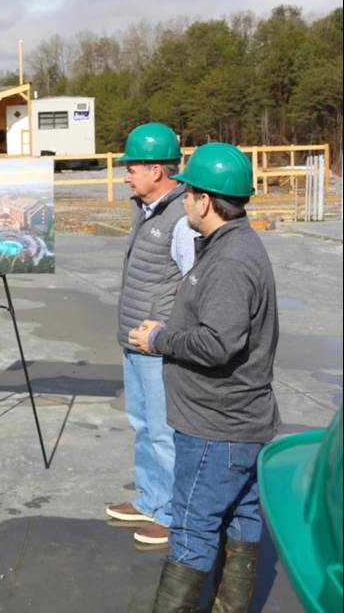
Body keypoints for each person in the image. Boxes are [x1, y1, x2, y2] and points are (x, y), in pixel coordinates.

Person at [128, 143, 279, 613]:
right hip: (238, 422)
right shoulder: (231, 246)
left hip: (216, 426)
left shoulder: (230, 262)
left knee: (192, 532)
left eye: (189, 193)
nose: (185, 201)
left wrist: (160, 339)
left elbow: (219, 344)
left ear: (206, 201)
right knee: (241, 521)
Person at [105, 123, 197, 547]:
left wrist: (167, 332)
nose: (125, 176)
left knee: (163, 432)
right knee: (142, 425)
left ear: (157, 171)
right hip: (134, 340)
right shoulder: (146, 210)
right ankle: (150, 500)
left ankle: (171, 515)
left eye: (132, 168)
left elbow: (194, 284)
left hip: (158, 346)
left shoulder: (181, 218)